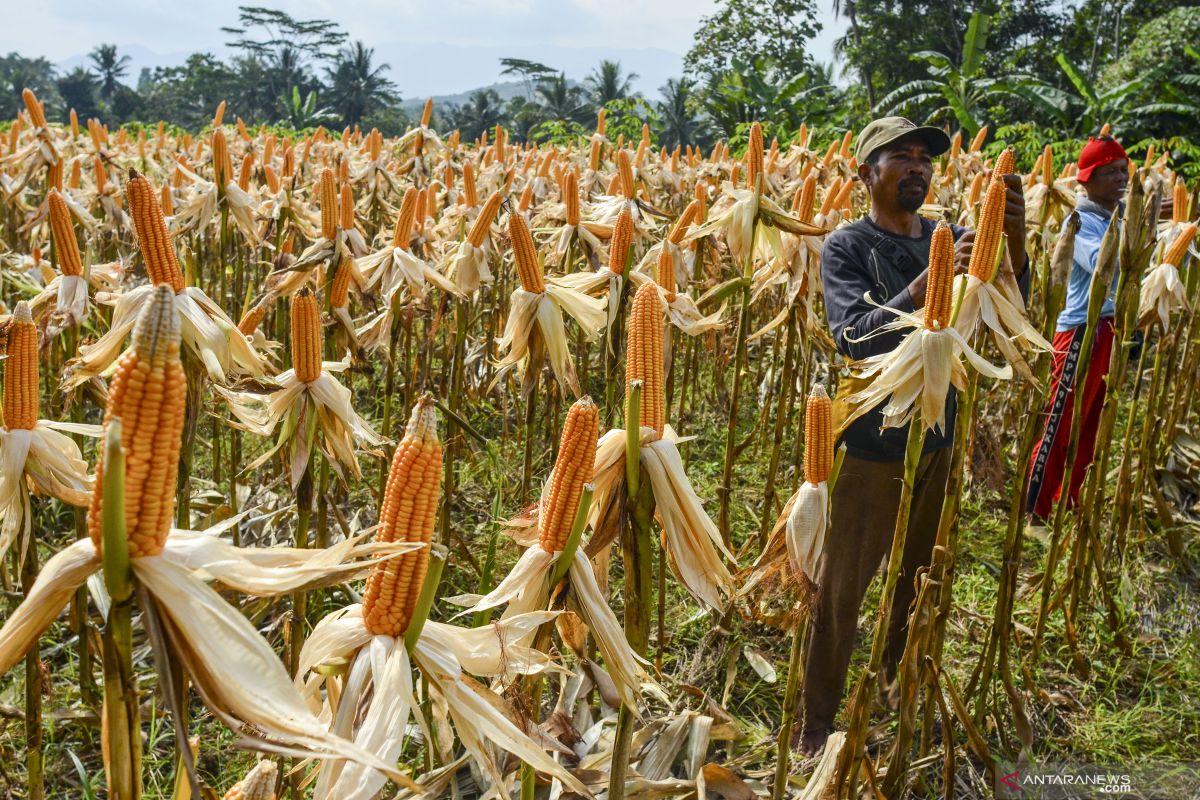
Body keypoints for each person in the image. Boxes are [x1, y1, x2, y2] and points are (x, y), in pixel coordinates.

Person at [798, 117, 1028, 756]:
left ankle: (895, 702)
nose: (918, 168)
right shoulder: (848, 245)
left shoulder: (947, 237)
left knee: (917, 581)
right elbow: (852, 336)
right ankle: (817, 724)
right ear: (866, 172)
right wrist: (926, 286)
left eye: (925, 158)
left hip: (938, 437)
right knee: (843, 590)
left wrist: (1014, 241)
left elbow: (1006, 312)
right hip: (872, 444)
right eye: (900, 157)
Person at [1025, 136, 1127, 522]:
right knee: (1061, 421)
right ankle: (1034, 510)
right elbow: (1106, 264)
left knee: (1091, 423)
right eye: (1111, 173)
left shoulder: (1114, 218)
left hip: (1109, 327)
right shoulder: (1080, 221)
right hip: (1080, 333)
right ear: (1087, 180)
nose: (1121, 179)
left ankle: (1066, 500)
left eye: (1124, 172)